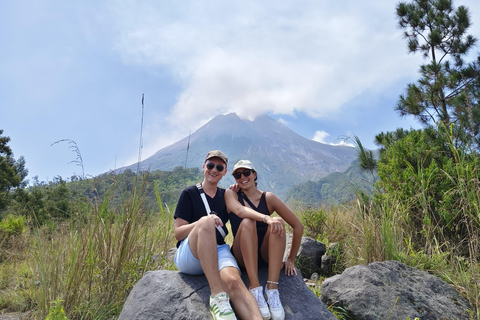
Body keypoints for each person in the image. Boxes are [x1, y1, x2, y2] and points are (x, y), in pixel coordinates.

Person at [173, 151, 263, 320]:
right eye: (210, 165)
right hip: (191, 253)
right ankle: (217, 296)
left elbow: (241, 209)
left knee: (235, 282)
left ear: (224, 172)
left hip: (218, 250)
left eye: (219, 167)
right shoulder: (189, 193)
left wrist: (239, 190)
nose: (214, 169)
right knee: (206, 222)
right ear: (204, 167)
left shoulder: (226, 195)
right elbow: (178, 233)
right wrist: (202, 222)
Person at [225, 160, 304, 320]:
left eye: (246, 173)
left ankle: (272, 289)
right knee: (248, 221)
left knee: (279, 222)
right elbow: (240, 211)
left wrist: (291, 259)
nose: (242, 177)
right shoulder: (231, 194)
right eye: (238, 175)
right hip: (243, 257)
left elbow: (298, 226)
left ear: (254, 174)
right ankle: (255, 288)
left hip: (266, 256)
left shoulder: (268, 198)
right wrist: (267, 218)